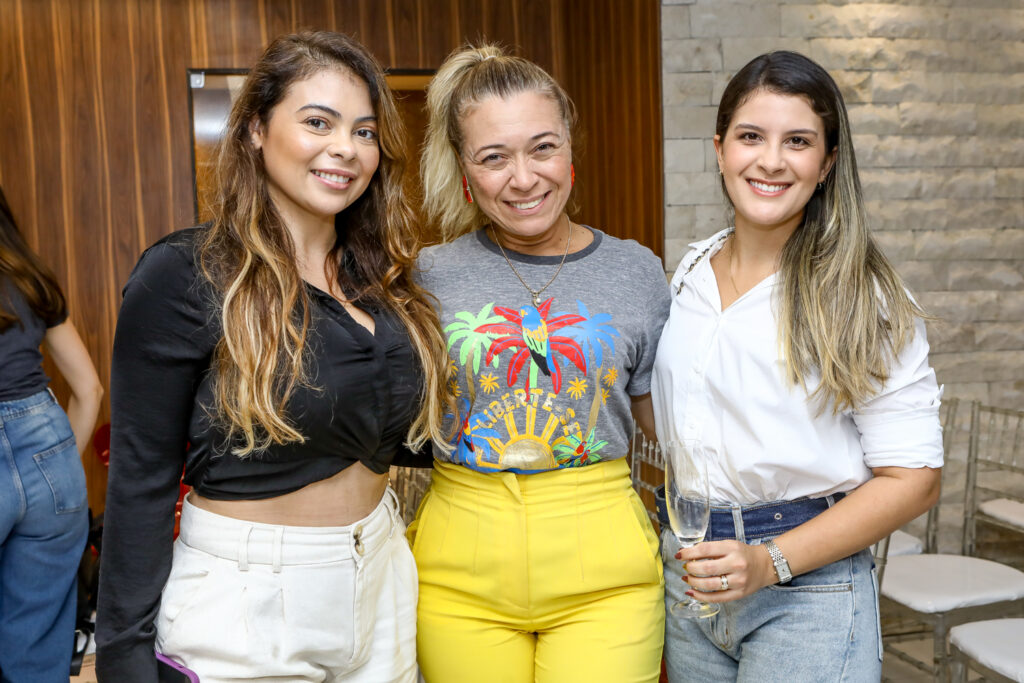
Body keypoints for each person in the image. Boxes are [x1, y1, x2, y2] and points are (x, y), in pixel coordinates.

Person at [95, 31, 450, 682]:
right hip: (249, 597)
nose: (345, 147)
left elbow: (397, 432)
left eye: (365, 132)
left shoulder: (386, 283)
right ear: (257, 129)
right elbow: (141, 477)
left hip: (382, 575)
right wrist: (122, 655)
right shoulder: (187, 273)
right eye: (318, 122)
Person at [651, 50, 943, 681]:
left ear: (827, 162)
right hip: (690, 576)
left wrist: (769, 561)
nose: (771, 161)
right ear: (720, 149)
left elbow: (914, 479)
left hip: (809, 591)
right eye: (751, 137)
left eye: (798, 141)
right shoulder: (690, 271)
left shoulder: (864, 294)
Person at [412, 44, 671, 683]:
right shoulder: (427, 276)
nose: (524, 178)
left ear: (570, 150)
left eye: (542, 148)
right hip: (457, 575)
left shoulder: (636, 270)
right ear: (465, 170)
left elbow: (667, 430)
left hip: (607, 575)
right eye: (494, 157)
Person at [0, 186, 103, 681]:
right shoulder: (30, 278)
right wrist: (52, 466)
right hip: (48, 449)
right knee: (36, 647)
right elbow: (89, 390)